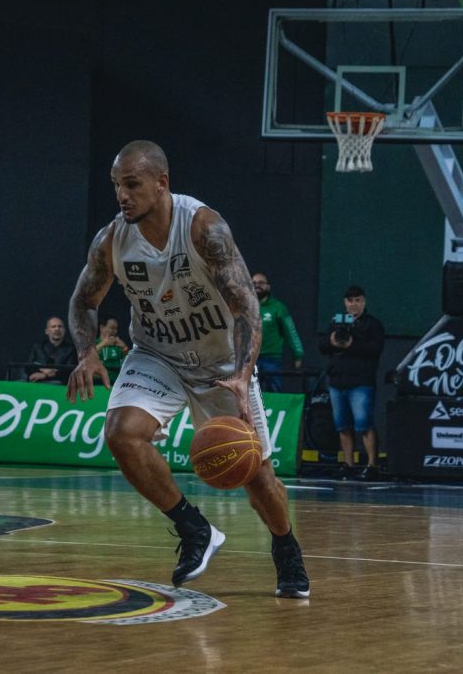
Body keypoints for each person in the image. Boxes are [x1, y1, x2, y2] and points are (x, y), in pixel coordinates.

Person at [67, 140, 309, 599]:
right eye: (117, 185)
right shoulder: (112, 240)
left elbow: (245, 306)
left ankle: (286, 548)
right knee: (120, 433)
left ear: (162, 183)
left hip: (220, 363)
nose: (122, 195)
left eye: (132, 184)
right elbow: (84, 300)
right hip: (157, 354)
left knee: (257, 476)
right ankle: (194, 529)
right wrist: (86, 352)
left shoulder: (204, 228)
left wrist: (242, 373)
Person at [319, 284, 385, 481]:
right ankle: (348, 465)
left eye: (357, 300)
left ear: (364, 302)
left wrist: (351, 344)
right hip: (337, 381)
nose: (353, 304)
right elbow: (322, 346)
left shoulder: (373, 325)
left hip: (361, 382)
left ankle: (372, 465)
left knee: (364, 424)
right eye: (350, 300)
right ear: (345, 302)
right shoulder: (337, 322)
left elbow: (375, 349)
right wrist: (332, 340)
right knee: (342, 426)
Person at [253, 272, 304, 393]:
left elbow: (291, 332)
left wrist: (298, 354)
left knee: (274, 395)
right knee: (251, 396)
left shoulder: (278, 307)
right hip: (250, 360)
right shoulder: (246, 306)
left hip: (271, 359)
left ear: (268, 286)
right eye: (254, 283)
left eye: (261, 283)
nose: (257, 285)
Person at [26, 316, 77, 384]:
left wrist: (46, 375)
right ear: (46, 331)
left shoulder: (72, 349)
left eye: (60, 326)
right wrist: (41, 369)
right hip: (38, 383)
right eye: (53, 326)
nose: (57, 329)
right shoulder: (38, 348)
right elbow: (29, 366)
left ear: (64, 330)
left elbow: (70, 371)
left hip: (61, 385)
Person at [95, 315, 129, 383]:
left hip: (115, 382)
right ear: (102, 327)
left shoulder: (118, 345)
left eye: (116, 329)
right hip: (97, 383)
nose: (115, 331)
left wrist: (125, 348)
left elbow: (127, 364)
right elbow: (87, 357)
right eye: (112, 328)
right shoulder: (94, 343)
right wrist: (103, 344)